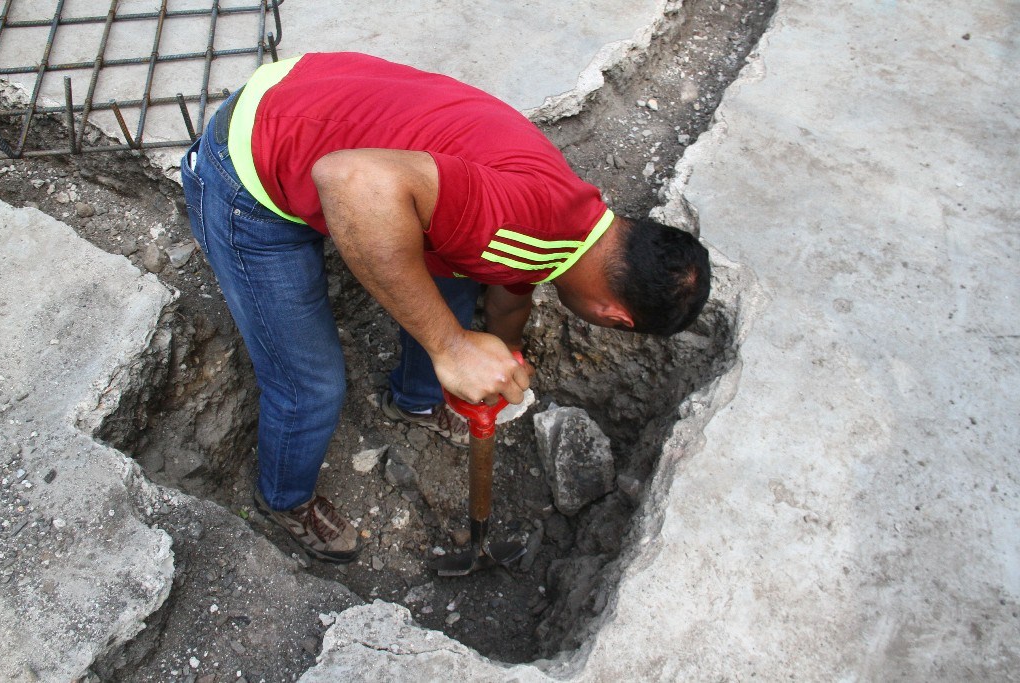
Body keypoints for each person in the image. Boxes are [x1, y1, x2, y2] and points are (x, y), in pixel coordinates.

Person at [180, 52, 710, 563]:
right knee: (310, 384)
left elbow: (508, 292)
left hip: (311, 96)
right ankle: (284, 499)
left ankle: (412, 400)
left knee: (455, 288)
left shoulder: (577, 222)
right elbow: (352, 182)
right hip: (246, 168)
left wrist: (506, 352)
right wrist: (450, 346)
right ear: (617, 317)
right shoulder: (521, 225)